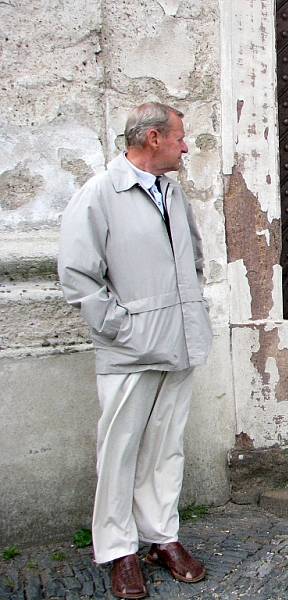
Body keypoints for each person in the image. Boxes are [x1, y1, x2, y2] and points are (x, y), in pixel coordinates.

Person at [58, 102, 213, 599]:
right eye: (180, 137)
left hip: (180, 341)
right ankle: (118, 549)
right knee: (119, 450)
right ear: (152, 138)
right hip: (129, 350)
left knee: (165, 448)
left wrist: (191, 314)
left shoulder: (172, 192)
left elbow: (193, 258)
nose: (186, 146)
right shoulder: (100, 194)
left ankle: (162, 537)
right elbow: (78, 275)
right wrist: (120, 328)